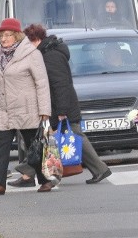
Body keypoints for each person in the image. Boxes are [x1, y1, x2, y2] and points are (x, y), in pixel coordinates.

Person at [8, 24, 111, 189]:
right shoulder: (45, 53)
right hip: (57, 105)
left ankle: (29, 174)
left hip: (62, 107)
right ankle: (29, 174)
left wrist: (62, 112)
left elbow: (61, 85)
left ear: (35, 40)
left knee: (67, 138)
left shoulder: (51, 56)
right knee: (58, 139)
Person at [0, 18, 50, 195]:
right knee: (0, 146)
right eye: (1, 36)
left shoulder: (31, 54)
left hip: (26, 109)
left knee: (33, 147)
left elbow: (42, 83)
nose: (4, 39)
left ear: (17, 35)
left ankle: (46, 179)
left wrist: (44, 111)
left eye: (8, 35)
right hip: (3, 109)